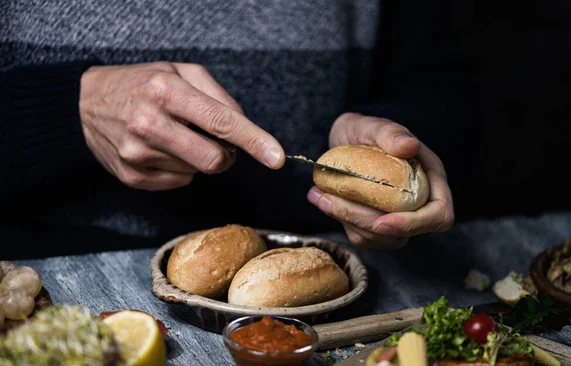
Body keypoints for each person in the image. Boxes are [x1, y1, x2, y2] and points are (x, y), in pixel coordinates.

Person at [0, 1, 455, 258]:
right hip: (53, 272)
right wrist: (70, 110)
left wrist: (393, 130)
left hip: (326, 256)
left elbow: (434, 80)